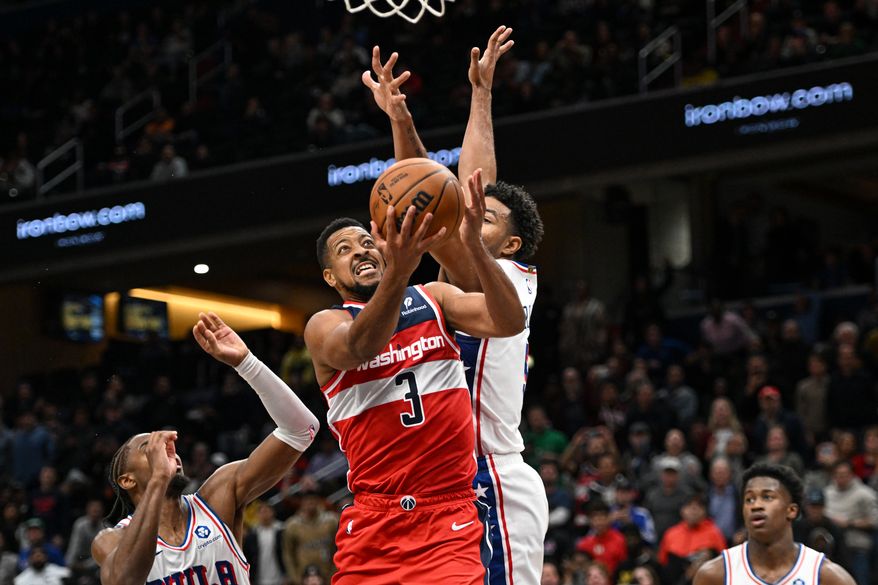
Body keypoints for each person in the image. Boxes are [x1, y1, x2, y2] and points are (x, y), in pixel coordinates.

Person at [361, 27, 548, 585]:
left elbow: (456, 192)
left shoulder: (514, 276)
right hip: (445, 483)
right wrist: (401, 120)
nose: (470, 219)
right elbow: (439, 193)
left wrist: (482, 97)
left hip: (495, 472)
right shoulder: (454, 275)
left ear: (511, 244)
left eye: (487, 220)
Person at [304, 168, 523, 582]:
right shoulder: (324, 325)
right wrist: (399, 272)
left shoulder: (433, 298)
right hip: (375, 520)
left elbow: (509, 321)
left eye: (367, 242)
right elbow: (360, 347)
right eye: (345, 249)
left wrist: (474, 245)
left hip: (448, 516)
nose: (361, 251)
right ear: (330, 277)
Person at [91, 312, 319, 585]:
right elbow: (125, 580)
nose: (165, 448)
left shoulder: (217, 498)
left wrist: (246, 364)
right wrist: (158, 481)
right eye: (148, 447)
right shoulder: (111, 539)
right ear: (127, 480)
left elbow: (301, 430)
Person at [693, 462, 856, 585]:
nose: (756, 505)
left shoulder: (826, 576)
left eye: (767, 497)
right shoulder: (714, 575)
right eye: (749, 499)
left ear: (791, 511)